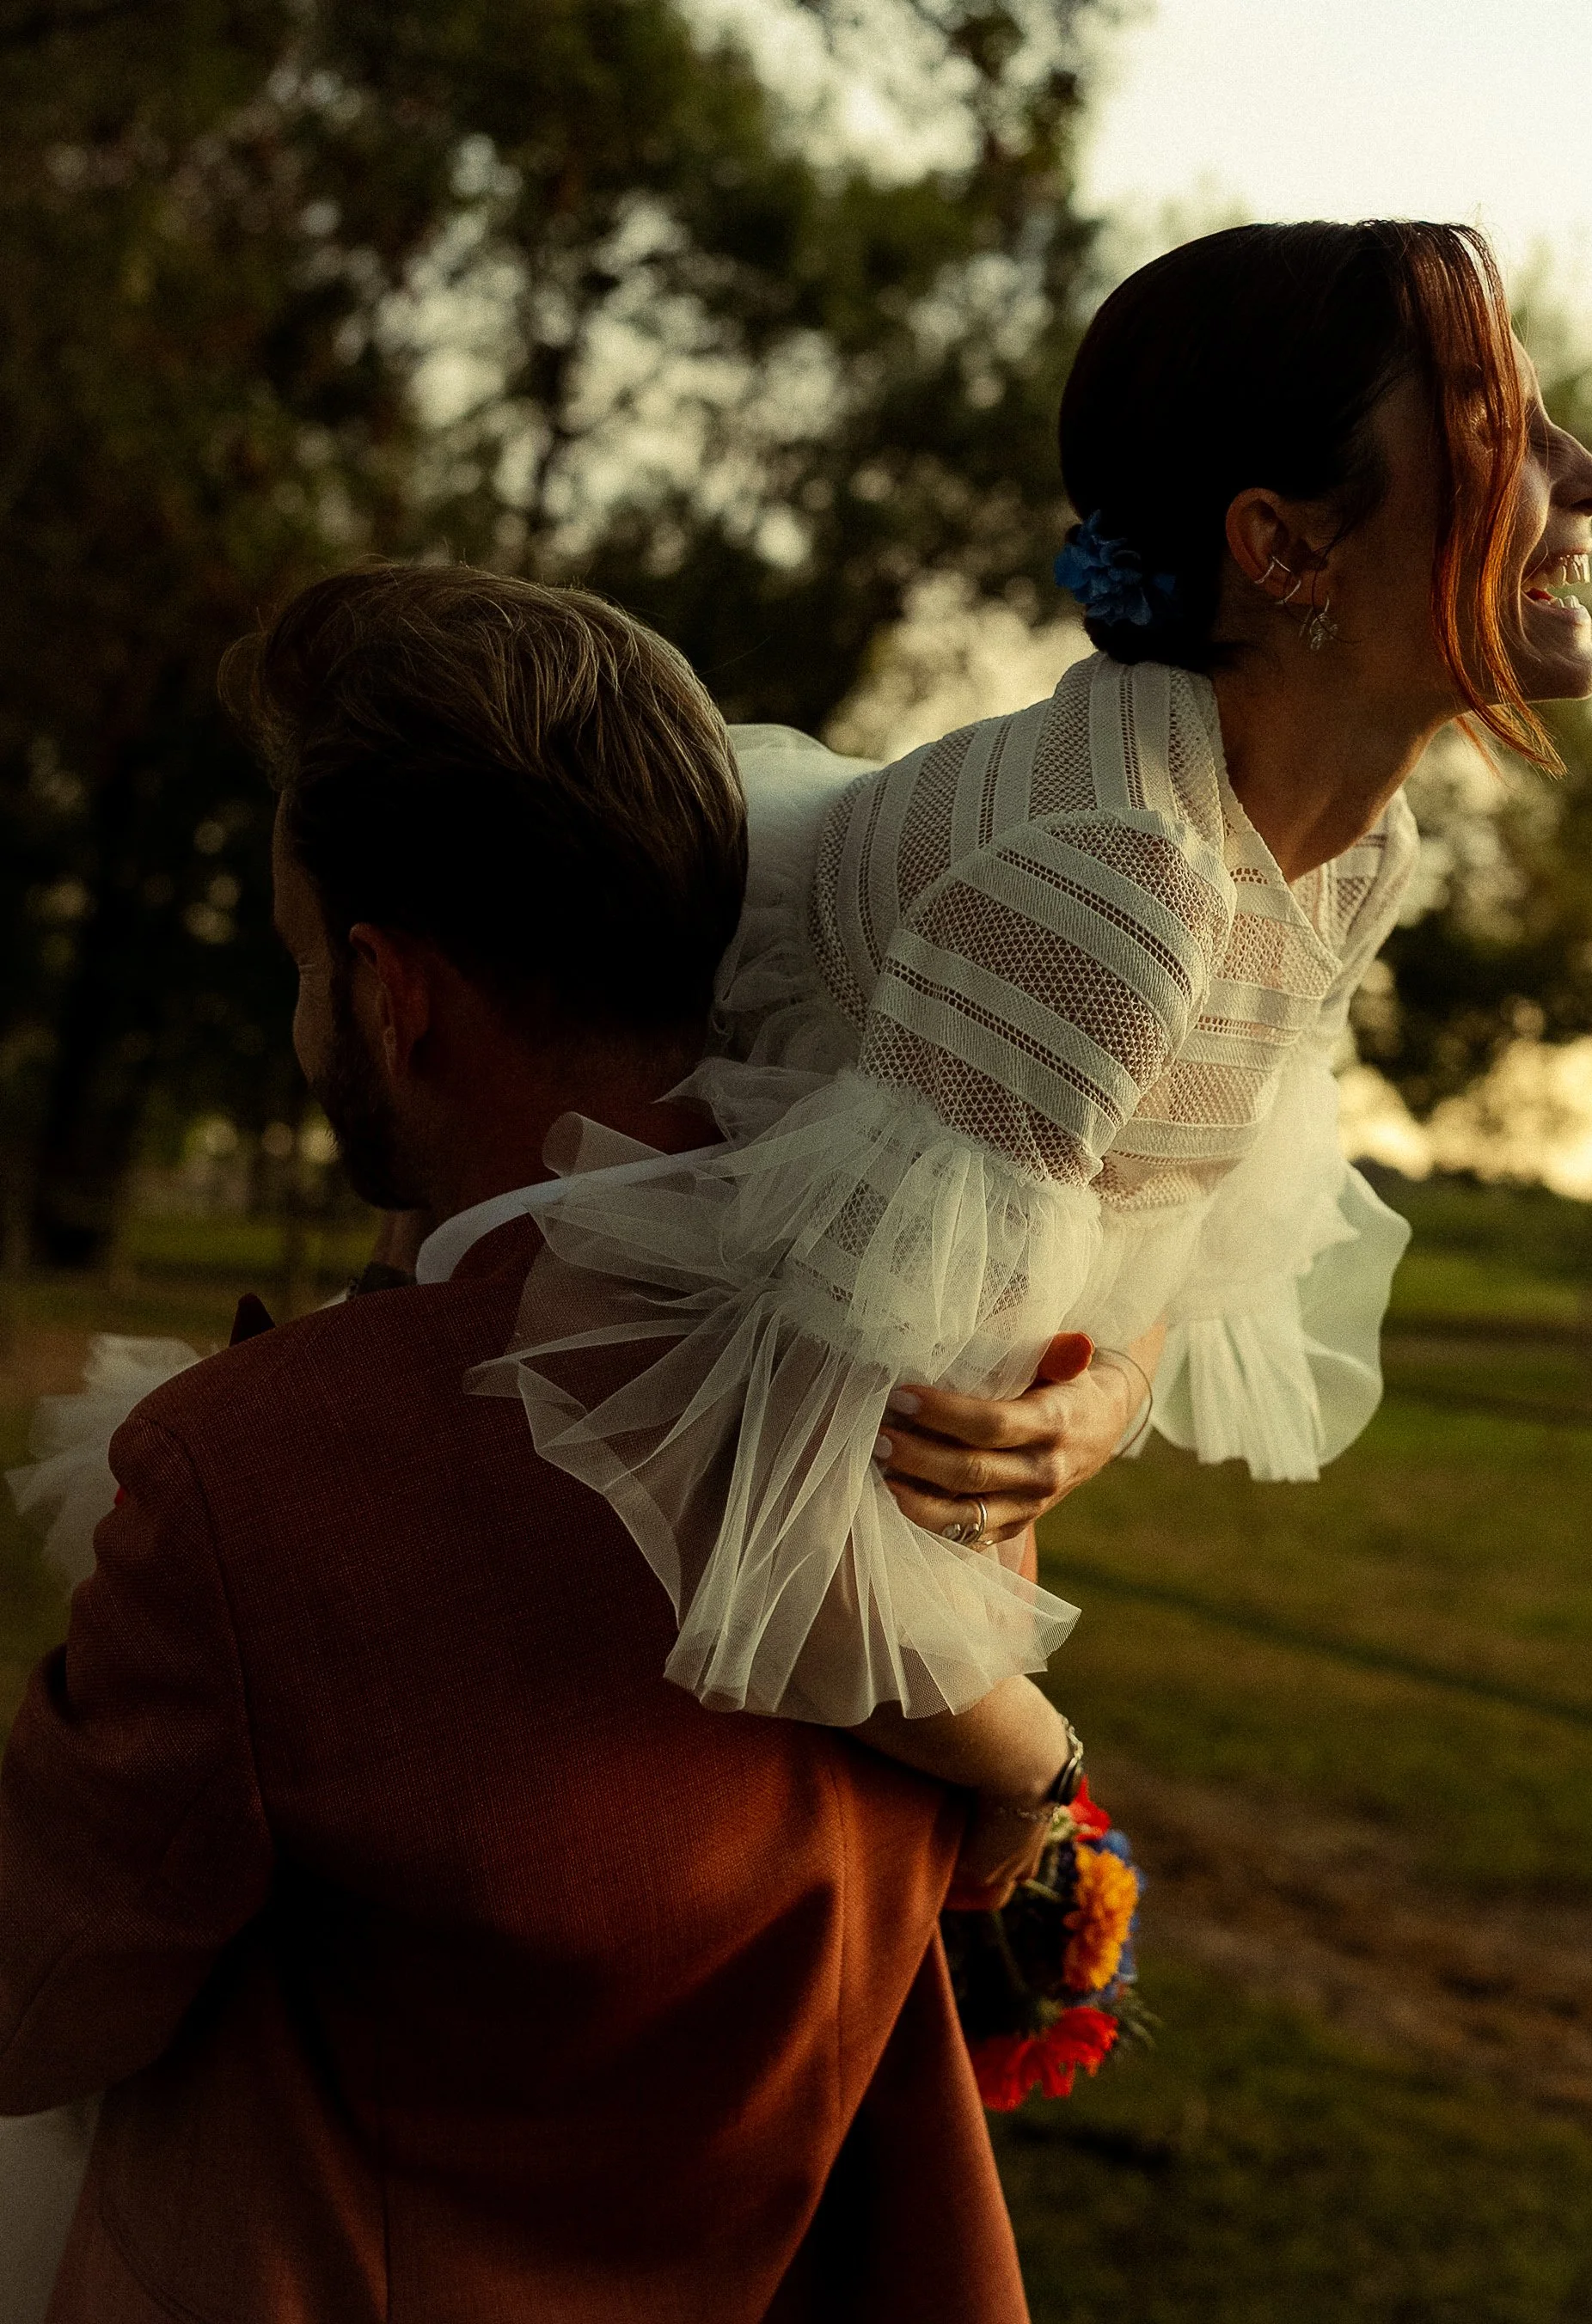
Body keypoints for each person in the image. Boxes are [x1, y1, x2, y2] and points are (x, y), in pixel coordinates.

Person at [0, 571, 1130, 2322]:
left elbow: (31, 1995)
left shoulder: (259, 1481)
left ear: (394, 992)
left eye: (306, 959)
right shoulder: (924, 1379)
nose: (309, 1016)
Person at [482, 218, 1592, 1730]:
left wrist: (1098, 1400)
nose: (1586, 474)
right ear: (1281, 545)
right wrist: (1036, 1768)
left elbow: (1174, 1219)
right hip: (609, 1571)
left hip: (885, 1564)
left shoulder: (1346, 853)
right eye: (1496, 424)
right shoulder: (1107, 883)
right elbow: (753, 1490)